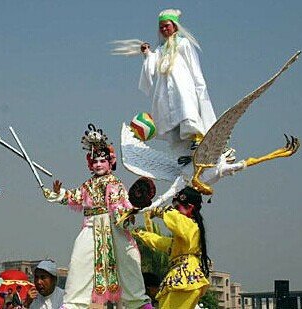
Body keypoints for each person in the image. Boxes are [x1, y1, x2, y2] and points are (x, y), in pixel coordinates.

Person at [43, 124, 150, 308]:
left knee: (128, 265)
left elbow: (122, 206)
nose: (98, 164)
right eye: (95, 161)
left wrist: (128, 214)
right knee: (78, 264)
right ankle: (72, 305)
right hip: (91, 228)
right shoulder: (87, 185)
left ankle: (138, 303)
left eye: (102, 160)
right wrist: (59, 193)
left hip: (114, 227)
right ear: (90, 164)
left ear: (110, 162)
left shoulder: (116, 183)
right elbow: (73, 197)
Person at [139, 9, 216, 155]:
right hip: (165, 90)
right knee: (171, 119)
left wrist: (199, 85)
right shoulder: (161, 49)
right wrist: (147, 53)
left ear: (174, 26)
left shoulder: (183, 43)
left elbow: (194, 66)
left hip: (182, 85)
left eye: (166, 25)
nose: (164, 29)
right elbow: (154, 66)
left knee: (187, 109)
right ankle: (186, 152)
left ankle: (198, 136)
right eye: (161, 27)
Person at [133, 187, 210, 309]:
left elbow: (178, 222)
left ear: (190, 208)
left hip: (185, 280)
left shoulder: (191, 227)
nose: (175, 210)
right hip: (180, 278)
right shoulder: (182, 241)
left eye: (177, 207)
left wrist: (160, 211)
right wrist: (138, 233)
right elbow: (161, 242)